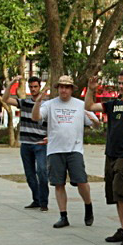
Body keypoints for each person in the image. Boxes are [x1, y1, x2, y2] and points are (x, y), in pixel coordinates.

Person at [85, 71, 123, 245]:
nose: (121, 86)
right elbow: (89, 106)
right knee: (115, 194)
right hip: (111, 152)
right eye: (119, 83)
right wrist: (90, 90)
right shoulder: (113, 103)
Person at [32, 75, 98, 228]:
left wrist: (95, 121)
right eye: (61, 86)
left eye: (67, 87)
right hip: (55, 150)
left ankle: (88, 206)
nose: (63, 90)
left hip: (75, 149)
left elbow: (95, 124)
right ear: (58, 88)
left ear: (71, 89)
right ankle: (63, 216)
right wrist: (38, 101)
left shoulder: (80, 105)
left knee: (82, 181)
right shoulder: (49, 104)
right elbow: (36, 117)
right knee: (58, 184)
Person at [3, 75, 49, 212]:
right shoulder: (24, 102)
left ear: (39, 87)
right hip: (26, 144)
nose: (33, 89)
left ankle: (44, 202)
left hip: (41, 144)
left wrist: (50, 137)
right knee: (29, 174)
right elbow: (5, 99)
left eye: (36, 87)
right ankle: (36, 199)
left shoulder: (47, 104)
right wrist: (11, 83)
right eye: (31, 87)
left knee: (41, 171)